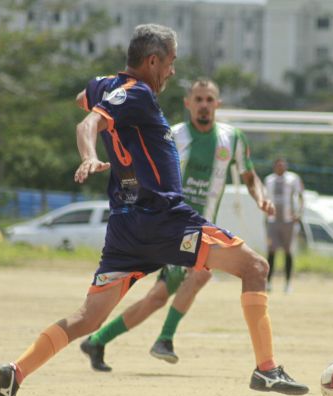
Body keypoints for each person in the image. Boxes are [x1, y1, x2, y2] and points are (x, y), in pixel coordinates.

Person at [0, 24, 308, 396]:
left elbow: (81, 100)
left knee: (89, 317)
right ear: (152, 61)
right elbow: (86, 125)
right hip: (164, 219)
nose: (172, 72)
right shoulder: (136, 94)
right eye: (170, 63)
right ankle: (267, 369)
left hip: (125, 225)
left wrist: (108, 98)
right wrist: (88, 154)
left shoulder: (109, 86)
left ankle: (12, 374)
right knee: (255, 268)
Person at [80, 78, 273, 372]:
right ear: (188, 103)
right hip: (171, 225)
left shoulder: (232, 139)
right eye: (198, 99)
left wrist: (261, 198)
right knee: (196, 279)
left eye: (209, 100)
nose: (204, 105)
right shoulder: (174, 135)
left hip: (199, 229)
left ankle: (100, 340)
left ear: (217, 104)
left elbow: (250, 177)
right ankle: (163, 339)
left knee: (158, 297)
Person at [264, 158, 304, 294]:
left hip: (288, 220)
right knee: (271, 251)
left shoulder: (293, 179)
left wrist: (299, 213)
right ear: (275, 166)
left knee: (288, 251)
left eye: (283, 165)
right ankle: (268, 282)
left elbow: (300, 196)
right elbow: (265, 198)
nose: (281, 167)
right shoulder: (269, 180)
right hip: (273, 220)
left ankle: (288, 284)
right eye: (278, 165)